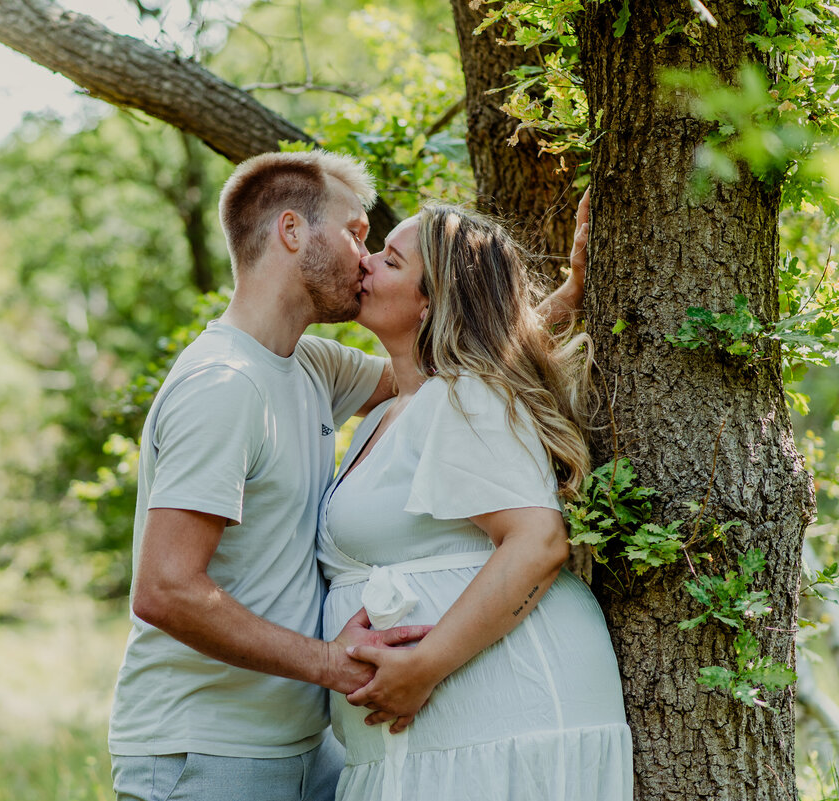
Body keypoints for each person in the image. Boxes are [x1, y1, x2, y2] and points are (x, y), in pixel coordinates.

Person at [108, 148, 586, 801]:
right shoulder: (223, 385)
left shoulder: (310, 366)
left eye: (380, 249)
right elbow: (165, 588)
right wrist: (331, 662)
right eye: (357, 233)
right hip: (211, 748)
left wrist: (557, 303)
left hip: (309, 748)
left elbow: (441, 359)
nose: (365, 258)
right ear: (292, 232)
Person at [317, 204, 632, 801]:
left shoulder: (466, 398)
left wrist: (426, 664)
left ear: (430, 303)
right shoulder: (392, 409)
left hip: (503, 713)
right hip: (444, 731)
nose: (365, 264)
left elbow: (538, 542)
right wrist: (567, 295)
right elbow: (499, 352)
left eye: (389, 260)